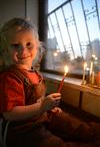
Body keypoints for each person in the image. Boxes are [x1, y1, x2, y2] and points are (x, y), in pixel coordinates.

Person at [0, 17, 99, 147]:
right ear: (6, 49)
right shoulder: (9, 78)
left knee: (65, 120)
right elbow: (10, 114)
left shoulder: (35, 73)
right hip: (22, 129)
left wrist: (48, 106)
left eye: (29, 44)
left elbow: (36, 101)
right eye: (15, 45)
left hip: (41, 116)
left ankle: (91, 131)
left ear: (37, 47)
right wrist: (42, 107)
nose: (23, 50)